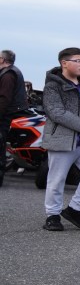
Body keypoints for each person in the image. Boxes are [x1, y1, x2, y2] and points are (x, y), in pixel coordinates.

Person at [40, 48, 80, 232]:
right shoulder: (53, 85)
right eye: (77, 60)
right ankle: (52, 215)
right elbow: (56, 112)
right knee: (56, 179)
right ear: (64, 63)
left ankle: (75, 209)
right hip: (62, 140)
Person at [0, 49, 28, 188]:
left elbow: (4, 99)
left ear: (2, 60)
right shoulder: (11, 72)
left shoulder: (8, 75)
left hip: (5, 116)